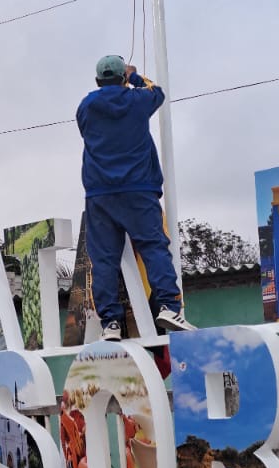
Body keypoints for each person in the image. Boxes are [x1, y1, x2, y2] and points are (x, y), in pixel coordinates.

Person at [76, 55, 194, 341]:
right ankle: (168, 306)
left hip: (99, 194)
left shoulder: (86, 107)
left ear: (97, 81)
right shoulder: (138, 100)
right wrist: (135, 77)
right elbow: (157, 92)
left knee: (104, 260)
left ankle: (110, 323)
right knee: (153, 247)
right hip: (138, 190)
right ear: (123, 78)